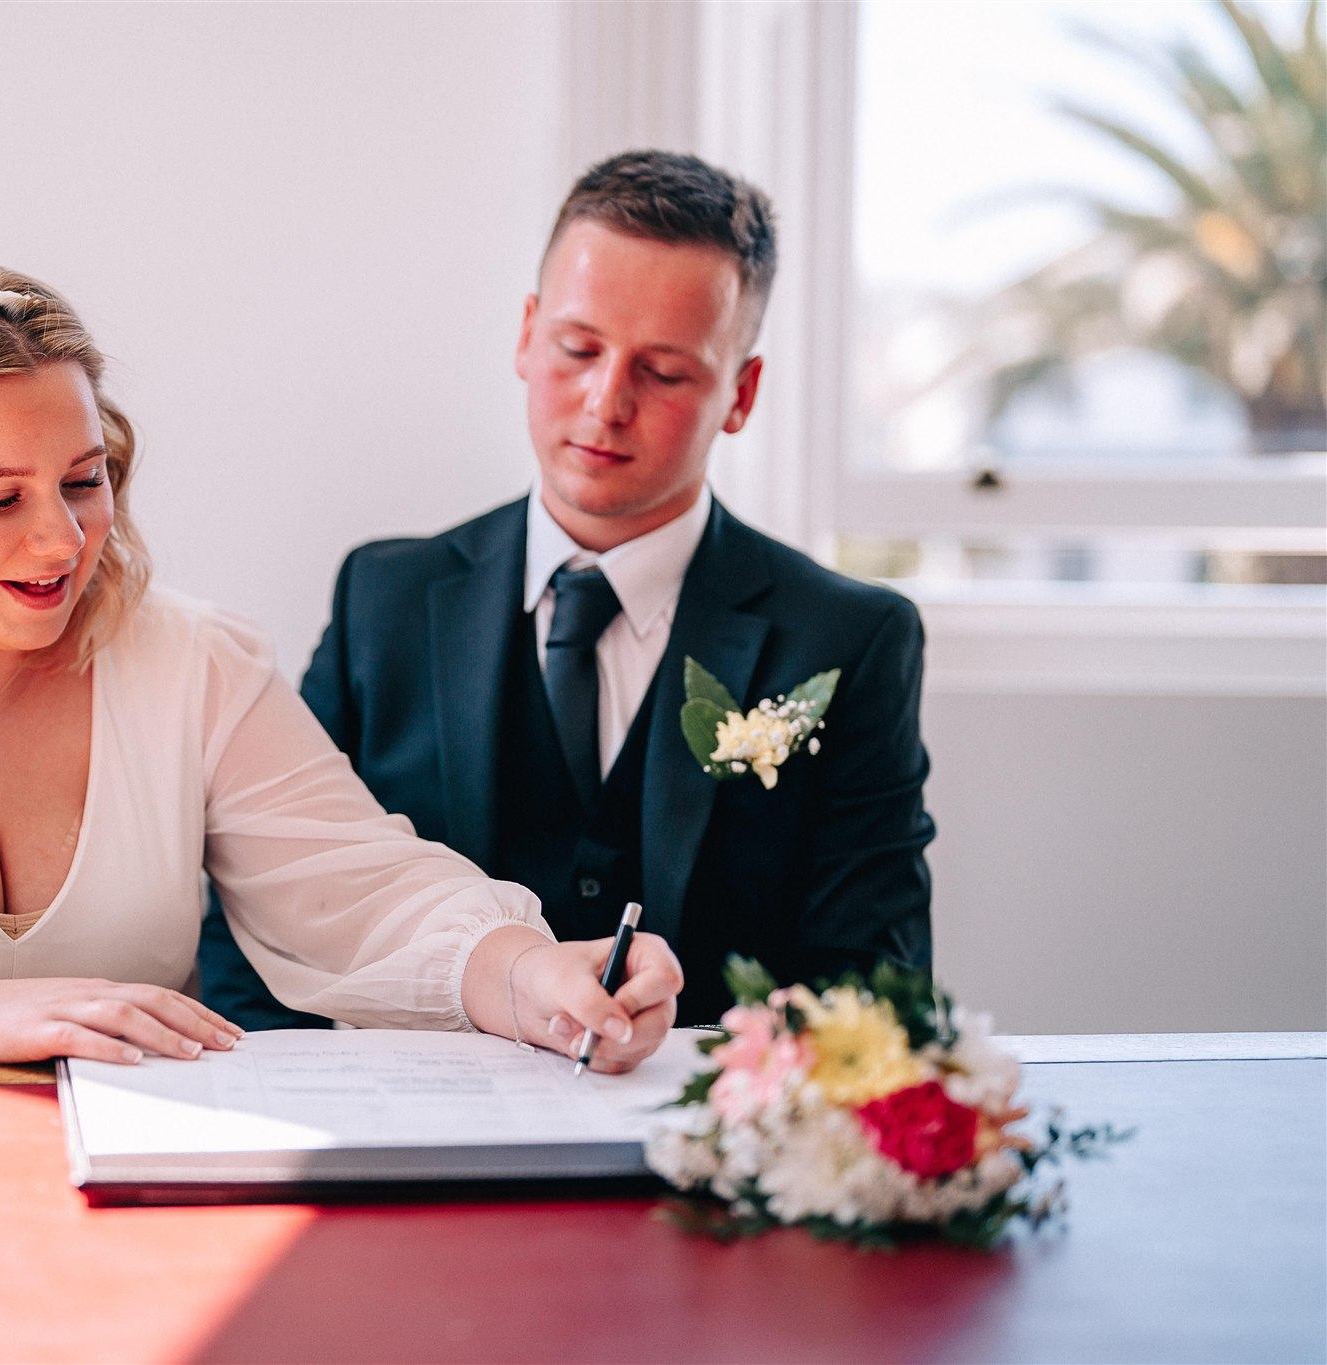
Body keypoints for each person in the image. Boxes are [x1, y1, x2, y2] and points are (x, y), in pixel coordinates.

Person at [0, 264, 682, 1069]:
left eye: (84, 479)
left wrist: (530, 975)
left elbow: (358, 891)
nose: (60, 538)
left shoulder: (189, 661)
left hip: (103, 1182)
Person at [200, 150, 934, 1030]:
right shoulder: (384, 600)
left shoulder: (847, 638)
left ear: (740, 393)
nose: (604, 402)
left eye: (663, 372)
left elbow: (872, 984)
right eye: (578, 349)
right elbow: (263, 922)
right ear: (525, 334)